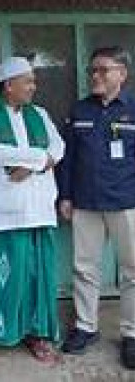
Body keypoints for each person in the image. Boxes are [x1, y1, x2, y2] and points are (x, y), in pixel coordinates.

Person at [0, 56, 64, 363]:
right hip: (6, 211)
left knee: (41, 274)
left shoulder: (40, 113)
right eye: (28, 81)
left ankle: (39, 336)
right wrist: (40, 160)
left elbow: (59, 147)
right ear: (8, 86)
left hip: (40, 208)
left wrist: (31, 165)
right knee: (6, 274)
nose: (33, 87)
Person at [59, 46, 135, 369]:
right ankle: (86, 327)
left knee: (132, 271)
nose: (96, 76)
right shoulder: (80, 110)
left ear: (122, 74)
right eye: (93, 70)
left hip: (126, 202)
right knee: (85, 267)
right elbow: (67, 159)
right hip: (86, 202)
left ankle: (131, 333)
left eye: (104, 70)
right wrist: (64, 196)